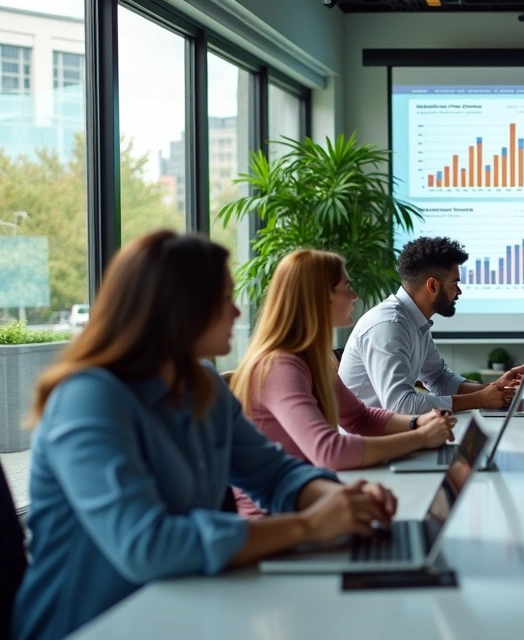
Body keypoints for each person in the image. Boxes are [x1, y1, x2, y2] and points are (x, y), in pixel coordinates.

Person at [14, 232, 398, 640]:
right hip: (93, 625)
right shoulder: (89, 398)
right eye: (223, 299)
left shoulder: (205, 387)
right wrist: (308, 526)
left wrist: (338, 500)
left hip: (184, 607)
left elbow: (274, 474)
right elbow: (148, 544)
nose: (236, 312)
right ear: (177, 309)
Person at [229, 249, 457, 517]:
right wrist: (420, 438)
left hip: (312, 505)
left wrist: (416, 423)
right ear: (322, 297)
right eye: (346, 287)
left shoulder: (313, 357)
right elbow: (328, 451)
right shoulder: (281, 365)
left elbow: (359, 418)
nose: (354, 296)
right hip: (275, 520)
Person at [340, 236, 524, 413]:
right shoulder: (389, 325)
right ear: (433, 286)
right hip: (365, 440)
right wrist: (479, 399)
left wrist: (493, 389)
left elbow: (438, 378)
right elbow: (401, 406)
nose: (459, 291)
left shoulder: (414, 320)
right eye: (455, 283)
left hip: (391, 432)